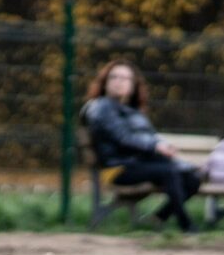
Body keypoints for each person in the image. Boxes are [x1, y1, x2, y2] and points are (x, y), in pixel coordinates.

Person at [82, 59, 200, 233]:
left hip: (138, 164)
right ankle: (186, 225)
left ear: (133, 85)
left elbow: (149, 136)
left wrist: (162, 145)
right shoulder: (101, 107)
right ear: (105, 82)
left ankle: (159, 218)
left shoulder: (132, 110)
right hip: (117, 168)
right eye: (114, 77)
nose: (119, 81)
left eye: (125, 78)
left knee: (192, 178)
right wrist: (155, 146)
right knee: (169, 171)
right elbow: (122, 137)